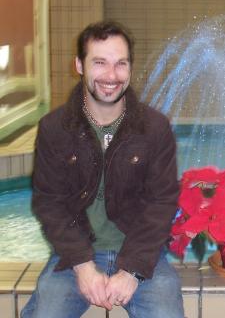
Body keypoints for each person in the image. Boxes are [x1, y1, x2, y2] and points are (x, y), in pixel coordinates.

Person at [22, 21, 184, 318]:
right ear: (79, 65)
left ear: (130, 69)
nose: (111, 75)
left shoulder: (154, 128)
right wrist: (83, 266)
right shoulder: (55, 129)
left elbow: (162, 202)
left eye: (120, 64)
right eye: (100, 63)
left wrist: (132, 270)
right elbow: (49, 202)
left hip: (140, 252)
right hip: (75, 255)